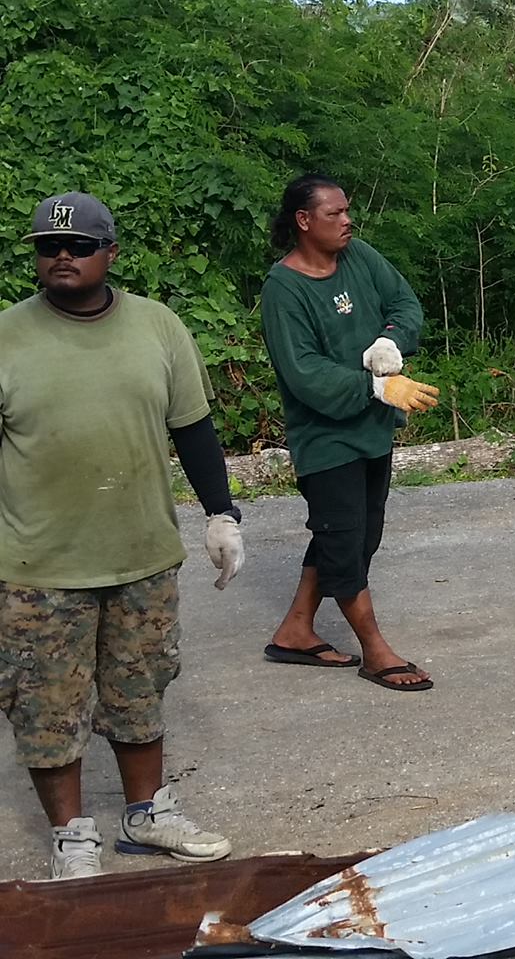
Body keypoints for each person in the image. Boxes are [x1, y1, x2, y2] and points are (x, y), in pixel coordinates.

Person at [0, 192, 243, 880]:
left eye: (78, 246)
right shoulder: (6, 336)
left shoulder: (157, 327)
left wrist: (222, 514)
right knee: (45, 706)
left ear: (110, 252)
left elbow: (193, 428)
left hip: (141, 554)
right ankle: (72, 835)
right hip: (37, 564)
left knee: (140, 689)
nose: (63, 256)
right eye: (50, 246)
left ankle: (148, 814)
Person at [259, 174, 440, 692]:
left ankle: (295, 629)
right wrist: (377, 388)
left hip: (372, 432)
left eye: (347, 211)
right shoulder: (284, 290)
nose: (347, 221)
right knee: (344, 540)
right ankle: (376, 651)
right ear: (303, 220)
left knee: (355, 536)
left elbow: (404, 304)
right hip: (325, 439)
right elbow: (304, 373)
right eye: (335, 213)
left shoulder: (358, 256)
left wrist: (389, 345)